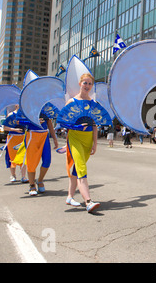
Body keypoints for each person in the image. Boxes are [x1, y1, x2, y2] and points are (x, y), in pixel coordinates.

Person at [61, 73, 100, 213]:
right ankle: (88, 201)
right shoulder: (71, 102)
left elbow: (95, 125)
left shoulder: (93, 103)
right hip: (75, 139)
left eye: (90, 84)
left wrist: (95, 143)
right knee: (81, 168)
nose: (87, 86)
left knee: (77, 169)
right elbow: (63, 122)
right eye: (85, 83)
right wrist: (75, 126)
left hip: (88, 140)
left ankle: (70, 196)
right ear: (80, 83)